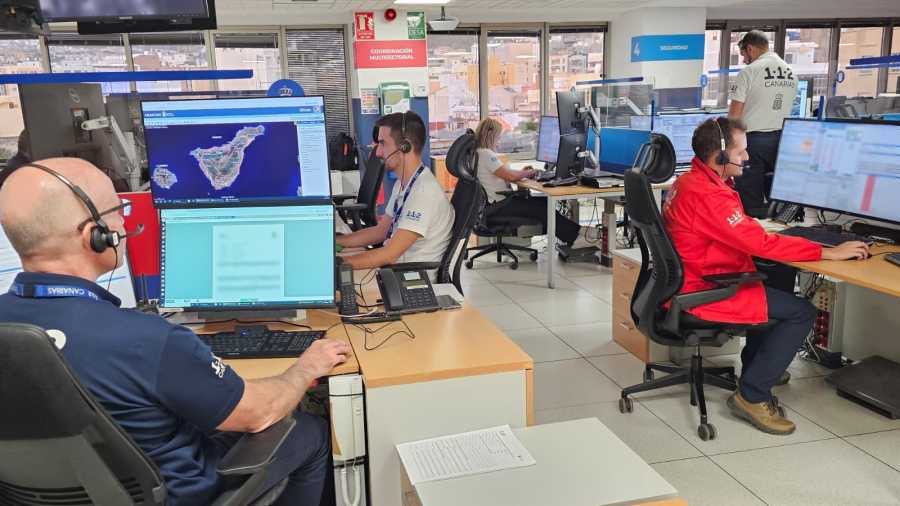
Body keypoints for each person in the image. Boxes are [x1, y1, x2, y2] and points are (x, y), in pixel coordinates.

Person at [0, 158, 353, 505]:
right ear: (94, 235)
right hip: (174, 492)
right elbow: (260, 412)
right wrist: (305, 368)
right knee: (309, 430)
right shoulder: (144, 338)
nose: (123, 222)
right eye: (117, 211)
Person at [663, 118, 869, 435]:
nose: (747, 157)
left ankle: (758, 368)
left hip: (691, 279)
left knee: (771, 284)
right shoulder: (710, 196)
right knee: (801, 312)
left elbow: (736, 232)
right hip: (706, 287)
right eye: (741, 151)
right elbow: (759, 243)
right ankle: (752, 395)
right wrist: (826, 251)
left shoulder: (689, 181)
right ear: (720, 156)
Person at [337, 111, 454, 269]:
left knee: (341, 277)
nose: (378, 152)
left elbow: (390, 255)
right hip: (396, 269)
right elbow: (381, 231)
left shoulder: (424, 192)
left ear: (405, 147)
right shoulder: (404, 183)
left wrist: (334, 266)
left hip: (409, 277)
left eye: (383, 143)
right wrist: (336, 242)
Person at [473, 117, 583, 246]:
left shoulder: (477, 154)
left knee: (542, 202)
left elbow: (503, 174)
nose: (499, 140)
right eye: (499, 136)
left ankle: (573, 236)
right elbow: (511, 176)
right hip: (499, 206)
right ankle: (576, 238)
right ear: (491, 136)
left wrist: (521, 173)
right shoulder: (486, 154)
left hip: (494, 205)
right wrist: (531, 172)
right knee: (543, 206)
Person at [728, 30, 798, 218]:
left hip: (753, 143)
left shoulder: (749, 72)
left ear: (750, 49)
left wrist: (730, 148)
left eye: (743, 54)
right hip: (783, 140)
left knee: (750, 204)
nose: (744, 60)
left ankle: (753, 233)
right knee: (779, 204)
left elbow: (734, 116)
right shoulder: (791, 72)